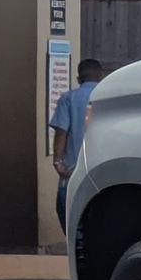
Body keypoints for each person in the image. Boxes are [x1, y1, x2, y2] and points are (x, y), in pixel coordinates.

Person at [49, 58, 103, 233]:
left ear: (79, 78)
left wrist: (57, 161)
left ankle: (74, 248)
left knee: (68, 212)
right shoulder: (107, 97)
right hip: (103, 169)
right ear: (100, 76)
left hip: (73, 171)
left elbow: (61, 132)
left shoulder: (68, 99)